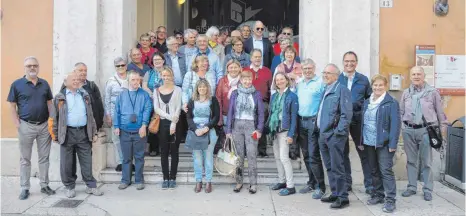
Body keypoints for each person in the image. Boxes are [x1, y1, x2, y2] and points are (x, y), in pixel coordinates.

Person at [7, 56, 55, 200]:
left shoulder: (44, 84)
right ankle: (25, 187)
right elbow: (12, 105)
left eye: (35, 65)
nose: (32, 68)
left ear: (38, 67)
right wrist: (17, 123)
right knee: (25, 159)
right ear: (25, 68)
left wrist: (51, 122)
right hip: (26, 126)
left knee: (44, 158)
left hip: (44, 126)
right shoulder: (17, 84)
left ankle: (45, 185)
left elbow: (50, 103)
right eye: (29, 66)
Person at [400, 66, 448, 201]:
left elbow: (440, 114)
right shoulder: (406, 93)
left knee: (426, 161)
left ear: (423, 76)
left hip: (426, 131)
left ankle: (427, 189)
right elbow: (401, 112)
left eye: (418, 74)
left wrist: (442, 133)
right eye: (413, 74)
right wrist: (402, 128)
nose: (416, 76)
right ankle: (411, 187)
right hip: (408, 130)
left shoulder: (432, 93)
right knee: (411, 161)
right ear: (410, 77)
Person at [52, 72, 103, 198]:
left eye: (77, 79)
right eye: (72, 79)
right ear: (65, 82)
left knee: (87, 160)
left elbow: (90, 115)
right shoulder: (59, 97)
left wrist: (94, 131)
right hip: (67, 133)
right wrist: (55, 135)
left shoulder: (84, 95)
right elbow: (53, 117)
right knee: (67, 162)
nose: (76, 81)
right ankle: (69, 186)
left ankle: (90, 185)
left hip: (83, 132)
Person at [359, 74, 400, 213]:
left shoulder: (391, 102)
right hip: (369, 142)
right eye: (375, 85)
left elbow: (395, 125)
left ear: (386, 86)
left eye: (380, 85)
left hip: (384, 143)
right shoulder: (367, 102)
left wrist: (393, 144)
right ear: (372, 86)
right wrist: (361, 141)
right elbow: (362, 124)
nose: (377, 87)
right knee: (374, 170)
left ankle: (390, 200)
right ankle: (378, 194)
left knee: (386, 171)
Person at [317, 64, 352, 209]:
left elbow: (346, 114)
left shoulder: (342, 90)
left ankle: (343, 197)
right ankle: (335, 192)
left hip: (334, 136)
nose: (325, 75)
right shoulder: (326, 89)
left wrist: (337, 132)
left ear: (336, 75)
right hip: (323, 134)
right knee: (330, 166)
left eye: (328, 73)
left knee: (338, 167)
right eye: (324, 72)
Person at [338, 51, 373, 194]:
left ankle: (370, 185)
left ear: (356, 63)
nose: (349, 64)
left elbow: (369, 99)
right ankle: (347, 183)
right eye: (346, 61)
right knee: (343, 152)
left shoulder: (363, 79)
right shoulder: (338, 79)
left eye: (352, 61)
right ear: (343, 63)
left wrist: (363, 112)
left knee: (364, 153)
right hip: (341, 121)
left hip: (358, 121)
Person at [226, 71, 264, 194]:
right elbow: (230, 111)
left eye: (249, 79)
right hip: (237, 125)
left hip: (251, 126)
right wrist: (228, 130)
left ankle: (253, 184)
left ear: (252, 80)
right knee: (239, 156)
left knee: (252, 155)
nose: (247, 82)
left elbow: (261, 113)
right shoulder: (235, 93)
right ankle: (239, 181)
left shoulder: (256, 94)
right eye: (244, 79)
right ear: (240, 80)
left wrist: (259, 129)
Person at [114, 71, 152, 190]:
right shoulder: (122, 95)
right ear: (128, 81)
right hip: (125, 131)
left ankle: (139, 180)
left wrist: (144, 125)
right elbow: (117, 111)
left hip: (139, 130)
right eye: (133, 80)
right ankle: (125, 180)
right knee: (126, 158)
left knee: (139, 157)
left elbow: (147, 109)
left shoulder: (144, 95)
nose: (136, 82)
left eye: (137, 80)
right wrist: (116, 126)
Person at [295, 59, 326, 199]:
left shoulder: (321, 82)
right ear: (301, 69)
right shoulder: (299, 84)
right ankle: (311, 182)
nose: (307, 71)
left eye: (309, 68)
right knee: (306, 155)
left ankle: (321, 186)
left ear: (314, 68)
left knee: (314, 155)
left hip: (313, 122)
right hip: (301, 122)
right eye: (305, 68)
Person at [186, 79, 220, 193]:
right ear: (197, 88)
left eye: (204, 87)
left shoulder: (213, 100)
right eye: (200, 87)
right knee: (197, 158)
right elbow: (189, 117)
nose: (202, 89)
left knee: (208, 158)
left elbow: (216, 117)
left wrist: (206, 127)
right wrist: (195, 129)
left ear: (208, 88)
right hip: (196, 132)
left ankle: (208, 181)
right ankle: (198, 180)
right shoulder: (192, 100)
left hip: (209, 132)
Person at [268, 72, 298, 196]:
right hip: (275, 130)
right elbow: (271, 113)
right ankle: (282, 181)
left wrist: (291, 134)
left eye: (281, 79)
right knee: (277, 158)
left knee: (284, 158)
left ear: (286, 80)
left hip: (285, 130)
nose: (279, 82)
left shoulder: (292, 96)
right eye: (277, 80)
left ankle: (290, 186)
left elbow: (294, 117)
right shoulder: (274, 96)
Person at [154, 67, 182, 189]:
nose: (165, 78)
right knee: (164, 151)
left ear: (171, 76)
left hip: (176, 123)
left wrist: (173, 123)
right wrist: (170, 118)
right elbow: (157, 109)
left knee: (174, 150)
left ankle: (173, 177)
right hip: (163, 123)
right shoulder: (156, 91)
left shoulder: (178, 90)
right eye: (163, 75)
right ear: (161, 76)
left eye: (167, 75)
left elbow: (178, 107)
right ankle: (165, 177)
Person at [242, 49, 273, 158]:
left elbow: (271, 89)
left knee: (261, 126)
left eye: (259, 56)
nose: (258, 59)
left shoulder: (267, 71)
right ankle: (248, 150)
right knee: (248, 126)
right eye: (255, 57)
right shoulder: (245, 71)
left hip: (263, 103)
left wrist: (270, 104)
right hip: (248, 102)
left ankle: (262, 151)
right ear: (251, 58)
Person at [105, 57, 129, 172]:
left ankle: (129, 161)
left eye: (122, 65)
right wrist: (108, 115)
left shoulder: (131, 78)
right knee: (116, 138)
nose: (121, 68)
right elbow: (107, 99)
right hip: (115, 114)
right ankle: (120, 161)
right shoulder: (111, 80)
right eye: (118, 66)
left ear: (126, 66)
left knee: (129, 138)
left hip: (129, 114)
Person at [215, 59, 242, 153]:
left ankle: (238, 163)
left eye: (235, 67)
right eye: (231, 67)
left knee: (238, 141)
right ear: (227, 69)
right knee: (227, 141)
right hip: (226, 115)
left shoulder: (243, 80)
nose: (233, 69)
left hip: (240, 116)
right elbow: (218, 99)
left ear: (239, 68)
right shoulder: (222, 81)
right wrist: (220, 117)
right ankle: (228, 163)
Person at [143, 52, 165, 157]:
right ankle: (154, 148)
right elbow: (144, 86)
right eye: (155, 60)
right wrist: (152, 94)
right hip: (152, 102)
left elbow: (170, 83)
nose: (157, 62)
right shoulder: (149, 73)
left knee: (165, 125)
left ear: (163, 61)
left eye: (159, 59)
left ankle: (165, 148)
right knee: (153, 124)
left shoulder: (167, 72)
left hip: (165, 101)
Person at [73, 62, 105, 131]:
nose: (84, 72)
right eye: (81, 70)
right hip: (73, 129)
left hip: (90, 127)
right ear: (74, 72)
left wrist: (99, 124)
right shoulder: (68, 86)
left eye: (85, 70)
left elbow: (100, 107)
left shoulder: (92, 86)